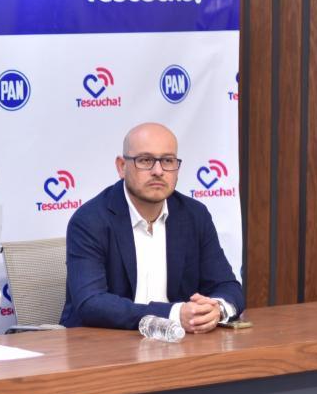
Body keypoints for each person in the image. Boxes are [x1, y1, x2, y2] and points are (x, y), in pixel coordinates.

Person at [60, 122, 245, 332]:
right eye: (146, 160)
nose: (158, 171)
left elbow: (228, 287)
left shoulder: (194, 215)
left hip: (178, 342)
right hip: (104, 341)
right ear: (122, 166)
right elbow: (91, 303)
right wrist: (174, 314)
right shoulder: (90, 220)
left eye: (167, 160)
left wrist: (216, 309)